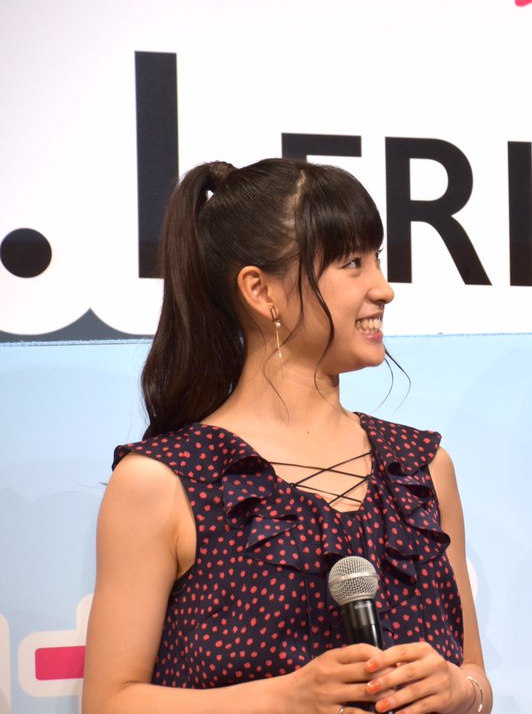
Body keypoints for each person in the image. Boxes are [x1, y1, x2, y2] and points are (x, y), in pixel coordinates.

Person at [82, 159, 491, 714]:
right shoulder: (164, 481)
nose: (384, 289)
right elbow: (110, 702)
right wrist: (288, 697)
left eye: (377, 259)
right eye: (352, 263)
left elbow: (474, 674)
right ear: (260, 290)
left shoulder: (422, 468)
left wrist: (460, 691)